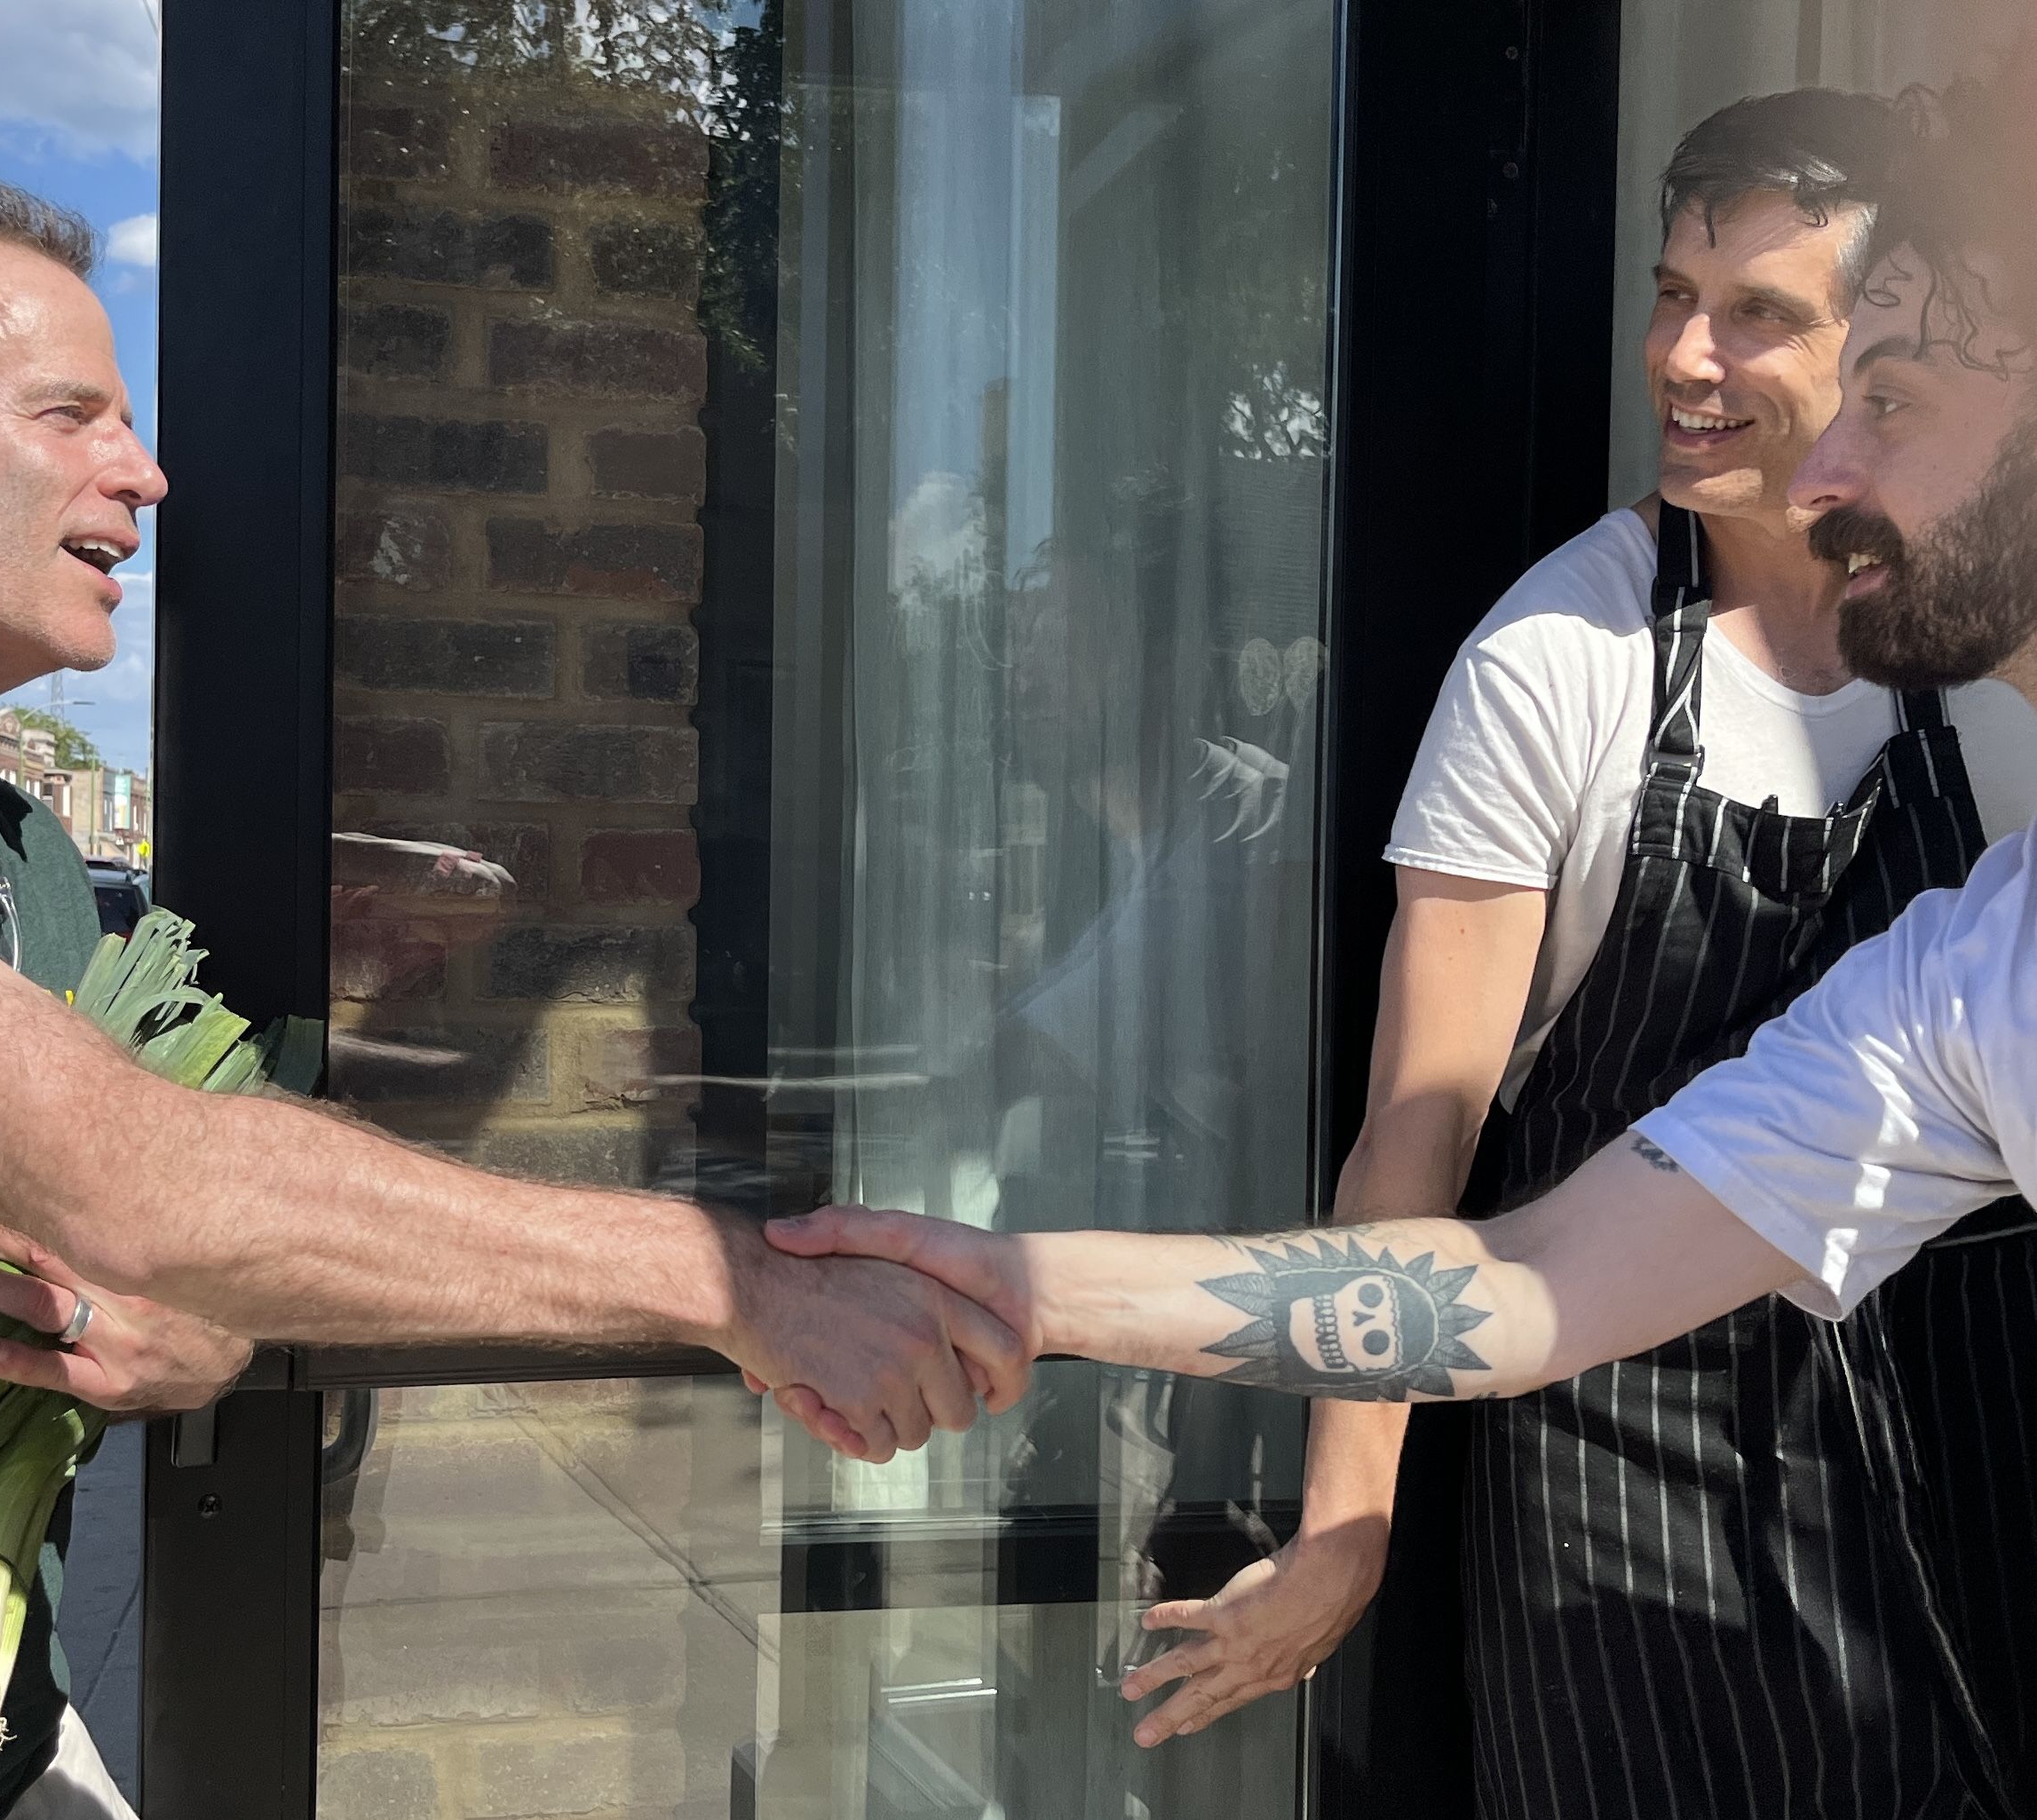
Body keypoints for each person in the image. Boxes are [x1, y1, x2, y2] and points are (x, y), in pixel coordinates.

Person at [0, 173, 1027, 1820]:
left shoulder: (25, 853)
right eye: (72, 415)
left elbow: (116, 1243)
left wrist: (185, 1328)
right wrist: (727, 1280)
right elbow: (128, 1169)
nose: (147, 470)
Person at [767, 61, 2037, 1807]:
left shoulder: (1957, 717)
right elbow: (1471, 1211)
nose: (1686, 362)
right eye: (1670, 297)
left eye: (1772, 322)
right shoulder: (1586, 683)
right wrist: (1264, 1458)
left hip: (1927, 1471)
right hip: (1629, 1493)